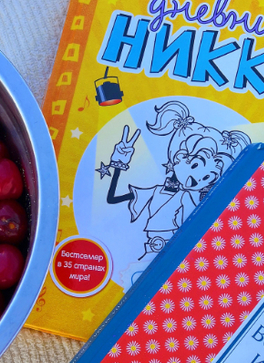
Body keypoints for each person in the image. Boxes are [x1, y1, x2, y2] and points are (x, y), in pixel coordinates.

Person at [104, 100, 250, 261]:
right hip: (151, 258)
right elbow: (112, 199)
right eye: (195, 165)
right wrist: (118, 163)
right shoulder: (158, 192)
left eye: (208, 177)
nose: (198, 180)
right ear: (178, 158)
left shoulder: (206, 201)